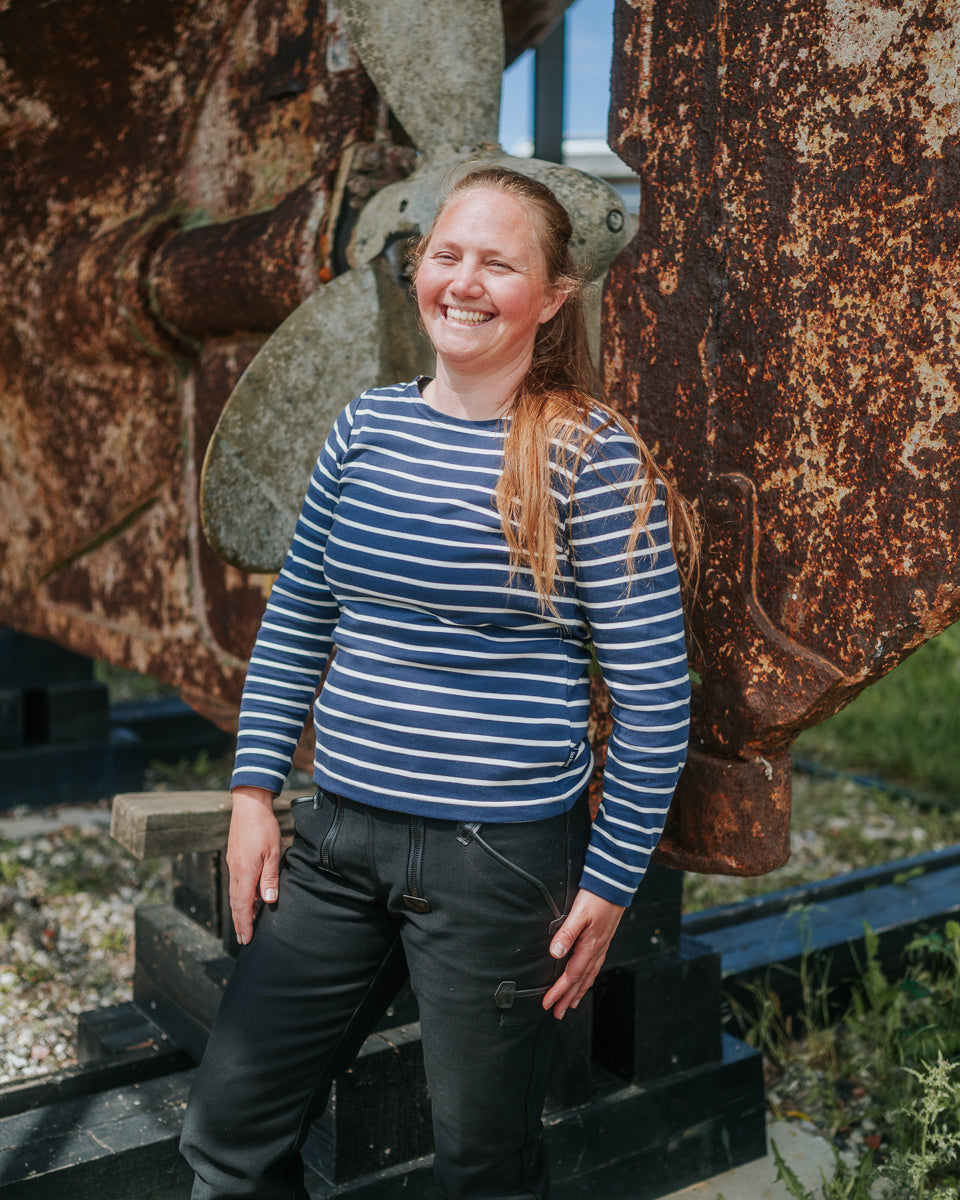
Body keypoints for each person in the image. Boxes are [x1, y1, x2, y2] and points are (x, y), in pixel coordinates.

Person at [180, 164, 697, 1199]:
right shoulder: (362, 430)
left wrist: (607, 885)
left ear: (552, 299)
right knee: (227, 1139)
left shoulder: (589, 457)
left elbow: (655, 702)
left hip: (496, 867)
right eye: (445, 255)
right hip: (336, 843)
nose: (462, 282)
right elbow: (298, 620)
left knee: (481, 1169)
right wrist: (251, 794)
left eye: (498, 264)